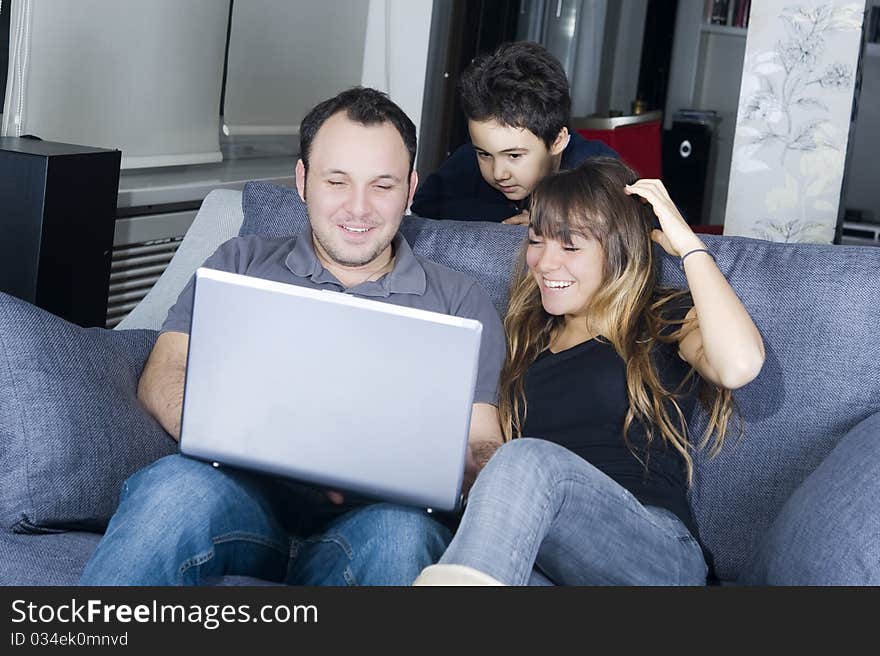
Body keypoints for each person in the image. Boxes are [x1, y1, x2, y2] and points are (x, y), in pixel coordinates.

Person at [80, 87, 506, 586]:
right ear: (303, 180)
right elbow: (163, 375)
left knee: (403, 539)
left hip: (377, 519)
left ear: (410, 189)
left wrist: (441, 464)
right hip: (240, 498)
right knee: (174, 488)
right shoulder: (240, 262)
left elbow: (482, 441)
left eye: (382, 185)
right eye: (337, 181)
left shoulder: (460, 300)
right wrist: (270, 445)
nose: (358, 208)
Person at [414, 157, 765, 586]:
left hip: (653, 555)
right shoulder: (523, 339)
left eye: (571, 246)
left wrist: (689, 246)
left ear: (618, 250)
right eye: (536, 241)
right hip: (549, 561)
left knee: (523, 459)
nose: (544, 263)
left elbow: (739, 365)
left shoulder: (661, 320)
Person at [410, 41, 617, 225]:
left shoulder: (596, 167)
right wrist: (502, 217)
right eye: (484, 154)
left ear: (557, 141)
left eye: (514, 155)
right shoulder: (470, 158)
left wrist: (548, 218)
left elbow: (630, 223)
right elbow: (425, 203)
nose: (499, 173)